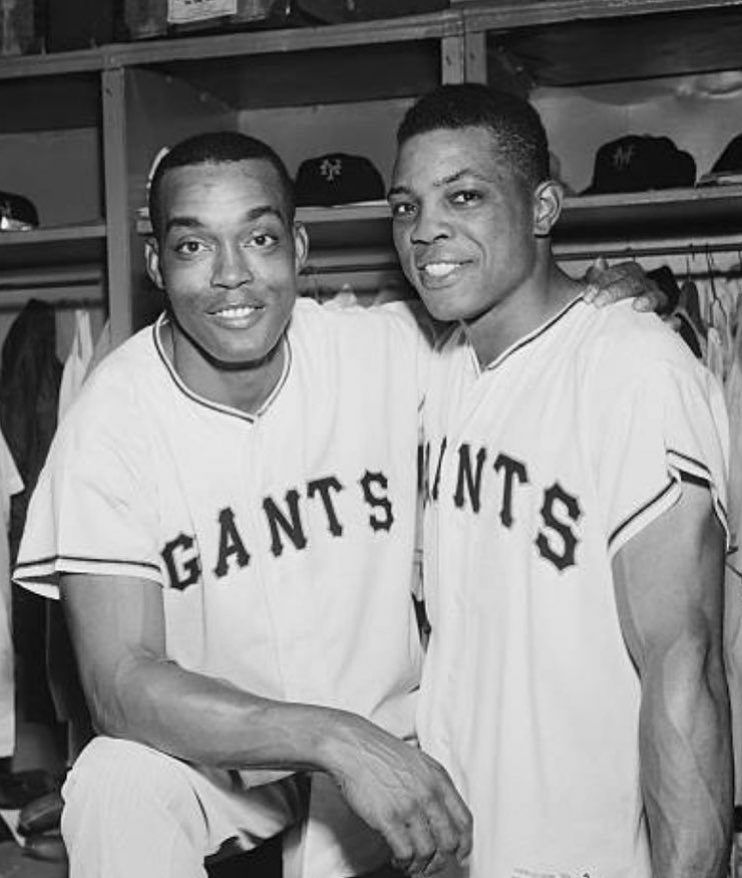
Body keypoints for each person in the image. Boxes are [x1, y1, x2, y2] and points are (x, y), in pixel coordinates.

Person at [13, 130, 659, 878]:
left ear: (300, 246)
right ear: (157, 264)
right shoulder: (112, 417)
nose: (232, 276)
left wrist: (608, 306)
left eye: (258, 238)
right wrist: (333, 739)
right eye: (194, 248)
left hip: (405, 748)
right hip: (223, 766)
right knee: (112, 781)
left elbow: (526, 325)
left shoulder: (386, 350)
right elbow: (121, 685)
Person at [388, 83, 733, 878]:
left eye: (464, 197)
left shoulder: (632, 367)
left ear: (544, 207)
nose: (426, 229)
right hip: (464, 850)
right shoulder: (436, 364)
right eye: (406, 207)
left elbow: (686, 662)